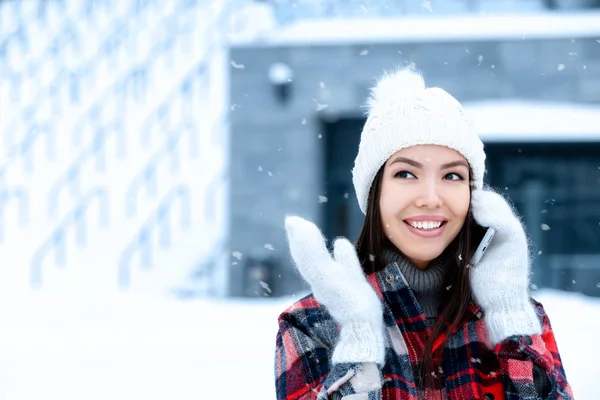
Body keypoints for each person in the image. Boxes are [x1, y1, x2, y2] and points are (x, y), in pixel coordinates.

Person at [274, 67, 573, 400]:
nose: (431, 198)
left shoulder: (518, 318)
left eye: (453, 176)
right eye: (405, 173)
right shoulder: (312, 322)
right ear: (375, 193)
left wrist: (509, 319)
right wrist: (358, 348)